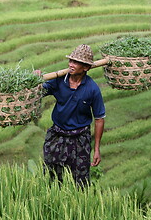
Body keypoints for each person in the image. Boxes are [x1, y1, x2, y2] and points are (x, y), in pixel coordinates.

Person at [38, 44, 105, 188]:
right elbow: (39, 91)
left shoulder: (92, 89)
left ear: (86, 67)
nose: (71, 64)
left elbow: (99, 119)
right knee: (50, 178)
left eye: (76, 62)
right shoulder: (58, 80)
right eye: (70, 61)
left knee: (81, 182)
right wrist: (35, 80)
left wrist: (97, 148)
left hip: (80, 138)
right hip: (57, 134)